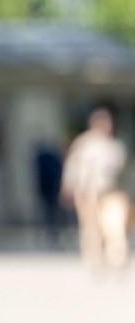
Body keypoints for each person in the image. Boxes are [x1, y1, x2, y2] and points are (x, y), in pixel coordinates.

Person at [61, 108, 130, 268]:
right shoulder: (83, 145)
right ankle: (95, 258)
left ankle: (117, 258)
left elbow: (122, 170)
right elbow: (73, 167)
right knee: (91, 228)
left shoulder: (115, 145)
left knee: (114, 226)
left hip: (113, 192)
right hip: (88, 193)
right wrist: (68, 186)